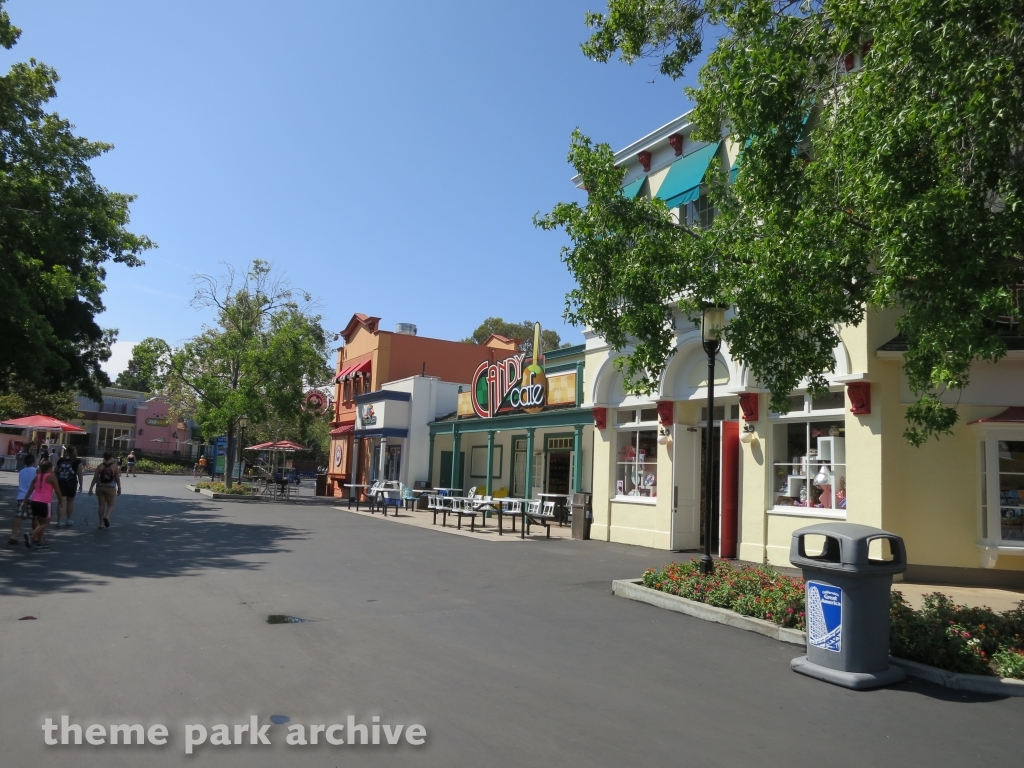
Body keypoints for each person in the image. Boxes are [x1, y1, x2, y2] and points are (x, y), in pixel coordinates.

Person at [24, 459, 63, 549]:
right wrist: (60, 500)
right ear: (50, 468)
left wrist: (24, 501)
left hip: (34, 501)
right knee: (46, 523)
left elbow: (30, 490)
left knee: (41, 523)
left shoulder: (36, 477)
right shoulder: (51, 477)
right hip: (45, 502)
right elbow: (57, 490)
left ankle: (41, 542)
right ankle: (31, 534)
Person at [8, 454, 36, 545]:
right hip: (33, 497)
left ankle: (13, 535)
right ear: (34, 462)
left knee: (19, 516)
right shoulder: (36, 471)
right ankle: (35, 536)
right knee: (34, 517)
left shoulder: (22, 471)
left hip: (21, 496)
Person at [88, 451, 121, 528]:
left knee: (101, 506)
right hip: (110, 487)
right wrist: (119, 488)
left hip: (100, 487)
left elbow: (95, 478)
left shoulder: (100, 466)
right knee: (111, 505)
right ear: (111, 457)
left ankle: (101, 524)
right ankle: (107, 517)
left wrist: (91, 488)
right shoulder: (115, 467)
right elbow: (117, 478)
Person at [54, 447, 84, 527]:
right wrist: (81, 485)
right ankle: (68, 520)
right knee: (70, 502)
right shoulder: (77, 461)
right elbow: (80, 474)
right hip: (72, 483)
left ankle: (59, 521)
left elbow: (55, 471)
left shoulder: (61, 460)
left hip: (61, 483)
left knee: (61, 502)